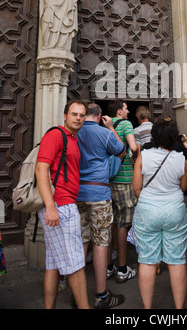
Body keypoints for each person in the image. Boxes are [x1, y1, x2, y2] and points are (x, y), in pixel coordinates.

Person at [35, 99, 90, 309]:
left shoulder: (73, 139)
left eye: (81, 115)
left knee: (53, 264)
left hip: (62, 204)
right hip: (60, 205)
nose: (78, 118)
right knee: (76, 265)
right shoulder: (56, 135)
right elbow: (41, 169)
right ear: (65, 116)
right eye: (74, 114)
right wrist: (50, 206)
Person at [132, 118, 187, 309]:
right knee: (176, 261)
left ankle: (148, 309)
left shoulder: (144, 156)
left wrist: (149, 199)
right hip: (174, 209)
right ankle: (179, 310)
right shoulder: (181, 159)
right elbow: (183, 187)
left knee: (147, 261)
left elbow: (136, 187)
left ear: (154, 135)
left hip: (148, 208)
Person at [76, 103, 126, 309]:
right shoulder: (103, 132)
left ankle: (78, 293)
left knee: (82, 241)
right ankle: (102, 296)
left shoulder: (74, 132)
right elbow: (122, 152)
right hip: (99, 193)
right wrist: (111, 127)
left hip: (77, 193)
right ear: (99, 117)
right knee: (101, 242)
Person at [107, 100, 139, 283]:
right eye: (127, 108)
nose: (129, 111)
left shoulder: (103, 125)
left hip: (109, 180)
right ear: (120, 111)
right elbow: (133, 147)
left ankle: (108, 266)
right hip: (125, 180)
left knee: (110, 223)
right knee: (122, 224)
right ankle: (122, 268)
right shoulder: (126, 124)